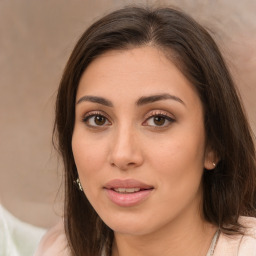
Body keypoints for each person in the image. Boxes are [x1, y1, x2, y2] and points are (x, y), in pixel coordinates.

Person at [34, 5, 256, 256]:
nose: (122, 154)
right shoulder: (57, 249)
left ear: (214, 144)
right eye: (97, 119)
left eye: (158, 120)